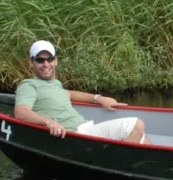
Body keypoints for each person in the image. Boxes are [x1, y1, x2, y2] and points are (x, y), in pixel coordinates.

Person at [13, 40, 146, 142]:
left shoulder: (55, 84)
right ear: (31, 63)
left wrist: (98, 98)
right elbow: (21, 112)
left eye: (49, 59)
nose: (46, 64)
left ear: (56, 61)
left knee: (143, 140)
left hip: (86, 127)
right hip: (75, 136)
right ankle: (113, 168)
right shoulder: (29, 85)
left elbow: (69, 94)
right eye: (40, 60)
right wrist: (49, 122)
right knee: (137, 125)